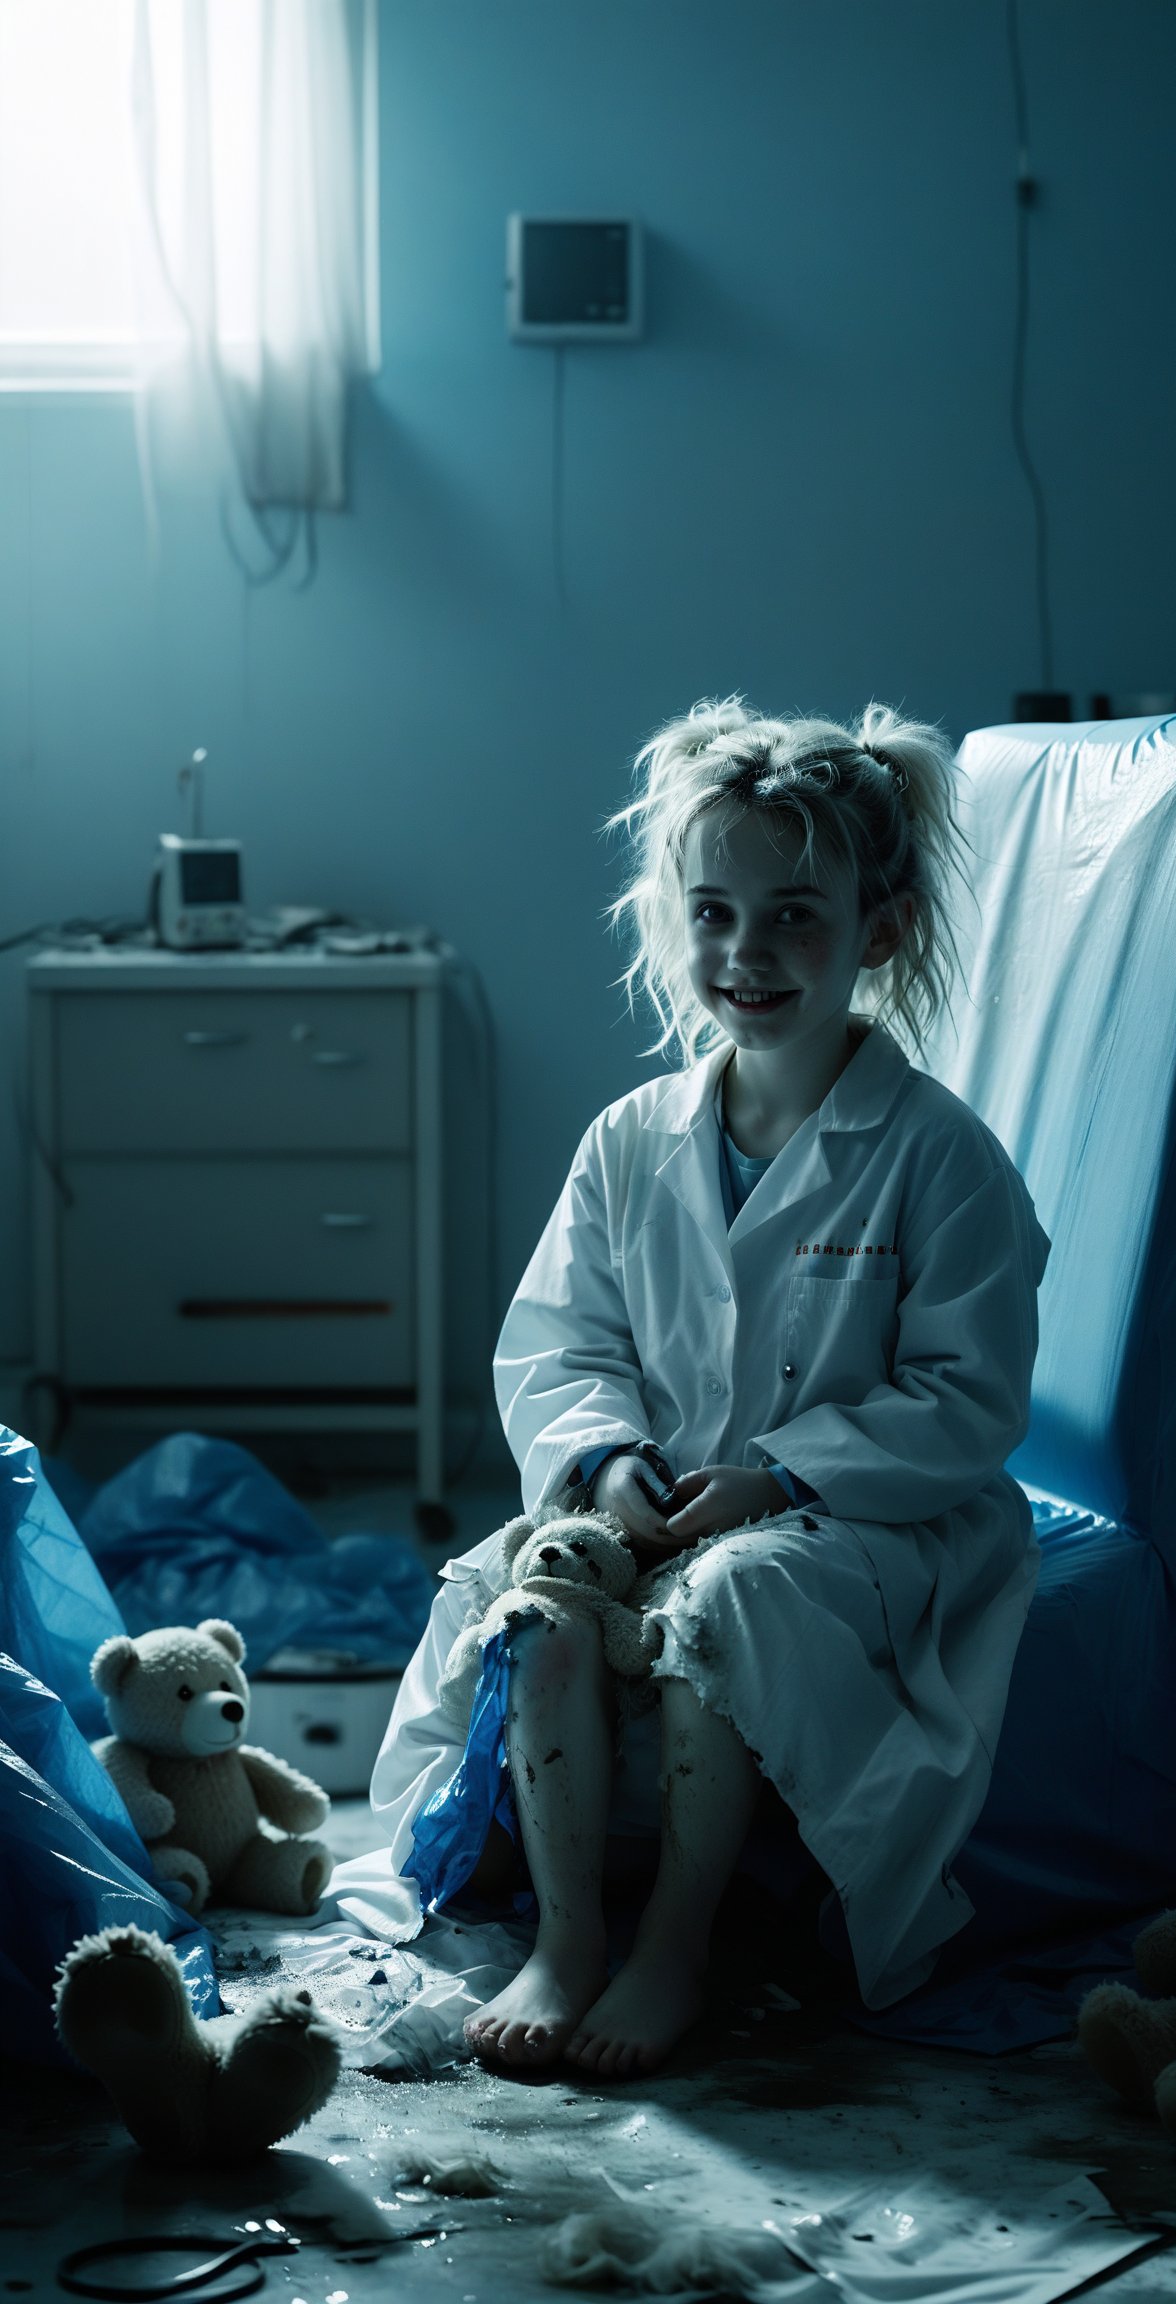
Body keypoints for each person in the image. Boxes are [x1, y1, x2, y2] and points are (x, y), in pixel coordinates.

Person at [370, 698, 1051, 2079]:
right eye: (718, 914)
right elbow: (562, 1345)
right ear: (675, 923)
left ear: (883, 928)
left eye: (797, 914)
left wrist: (788, 1475)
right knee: (545, 1603)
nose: (750, 954)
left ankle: (673, 1944)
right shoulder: (630, 1141)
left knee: (727, 1604)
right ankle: (570, 1939)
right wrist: (607, 1460)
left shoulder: (940, 1156)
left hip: (855, 1524)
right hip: (655, 1495)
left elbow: (968, 1400)